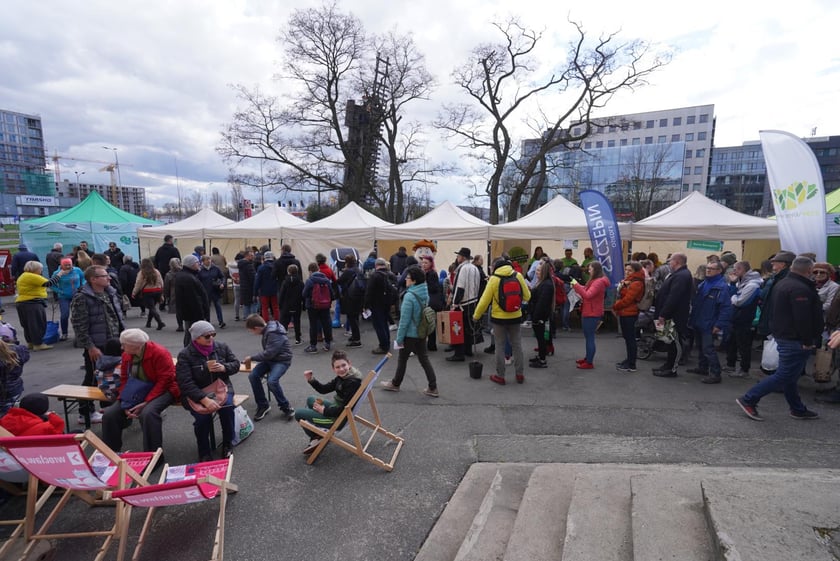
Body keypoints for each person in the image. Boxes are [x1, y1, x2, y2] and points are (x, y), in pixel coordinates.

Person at [736, 256, 822, 421]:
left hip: (785, 334)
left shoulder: (784, 283)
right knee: (784, 375)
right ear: (809, 270)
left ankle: (797, 408)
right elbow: (802, 318)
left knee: (790, 375)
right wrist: (807, 341)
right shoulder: (799, 288)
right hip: (794, 338)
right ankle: (749, 399)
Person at [101, 329, 179, 453]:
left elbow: (165, 381)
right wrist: (125, 401)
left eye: (124, 344)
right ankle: (110, 454)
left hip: (164, 389)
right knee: (110, 414)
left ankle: (153, 455)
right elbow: (125, 379)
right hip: (138, 389)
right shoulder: (127, 355)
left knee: (148, 413)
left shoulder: (160, 353)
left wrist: (146, 402)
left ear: (135, 345)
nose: (121, 347)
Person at [176, 321, 240, 461]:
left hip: (221, 387)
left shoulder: (221, 347)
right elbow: (185, 383)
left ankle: (227, 443)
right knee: (202, 418)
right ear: (196, 338)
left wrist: (224, 368)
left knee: (227, 408)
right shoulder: (185, 355)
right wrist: (204, 399)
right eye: (206, 336)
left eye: (213, 334)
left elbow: (236, 364)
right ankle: (204, 452)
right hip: (197, 392)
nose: (211, 338)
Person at [71, 265, 125, 424]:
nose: (108, 278)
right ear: (93, 279)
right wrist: (90, 346)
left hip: (114, 342)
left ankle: (109, 408)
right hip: (97, 344)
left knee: (114, 376)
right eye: (104, 276)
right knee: (92, 378)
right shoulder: (82, 297)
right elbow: (79, 325)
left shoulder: (110, 292)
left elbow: (117, 317)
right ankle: (85, 412)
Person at [380, 266, 439, 396]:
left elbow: (404, 321)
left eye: (407, 277)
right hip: (422, 331)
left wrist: (399, 339)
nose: (405, 279)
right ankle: (433, 387)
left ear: (413, 281)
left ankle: (395, 384)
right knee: (424, 359)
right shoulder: (424, 292)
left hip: (410, 335)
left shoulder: (409, 296)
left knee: (402, 359)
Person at [472, 256, 530, 384]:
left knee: (499, 346)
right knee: (517, 345)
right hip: (515, 316)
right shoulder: (518, 276)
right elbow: (527, 296)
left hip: (499, 318)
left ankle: (501, 375)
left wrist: (476, 316)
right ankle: (519, 374)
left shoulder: (493, 279)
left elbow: (484, 301)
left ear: (495, 267)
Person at [294, 350, 363, 455]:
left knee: (298, 414)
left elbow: (345, 408)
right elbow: (324, 389)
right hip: (337, 410)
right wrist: (311, 379)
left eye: (343, 365)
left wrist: (324, 411)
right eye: (337, 367)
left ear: (349, 363)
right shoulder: (344, 377)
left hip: (338, 419)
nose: (341, 369)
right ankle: (319, 434)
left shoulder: (352, 383)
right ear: (333, 369)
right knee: (311, 399)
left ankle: (315, 437)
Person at [687, 260, 732, 384]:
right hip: (699, 320)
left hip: (709, 323)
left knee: (708, 349)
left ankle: (715, 373)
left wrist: (718, 325)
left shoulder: (721, 287)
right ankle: (703, 367)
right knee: (701, 347)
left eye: (711, 269)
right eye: (707, 268)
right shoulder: (705, 283)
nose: (708, 270)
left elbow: (726, 308)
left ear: (719, 271)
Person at [244, 314, 295, 421]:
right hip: (271, 360)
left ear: (257, 328)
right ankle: (263, 405)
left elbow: (268, 354)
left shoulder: (273, 333)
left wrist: (251, 358)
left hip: (282, 361)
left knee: (272, 381)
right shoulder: (269, 329)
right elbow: (268, 355)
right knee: (253, 376)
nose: (252, 333)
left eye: (251, 331)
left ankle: (286, 407)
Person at [652, 253, 694, 378]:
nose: (669, 263)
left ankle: (672, 369)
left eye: (670, 261)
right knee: (668, 341)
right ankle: (668, 365)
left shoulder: (682, 276)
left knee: (674, 342)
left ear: (676, 262)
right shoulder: (677, 274)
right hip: (667, 314)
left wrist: (664, 314)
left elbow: (674, 297)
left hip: (673, 316)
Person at [15, 261, 66, 350]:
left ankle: (31, 342)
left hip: (22, 303)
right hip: (32, 303)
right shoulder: (32, 276)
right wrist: (60, 274)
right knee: (36, 324)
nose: (41, 271)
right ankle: (38, 344)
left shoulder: (23, 275)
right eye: (40, 269)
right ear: (35, 269)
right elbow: (49, 283)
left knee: (27, 325)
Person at [724, 261, 762, 378]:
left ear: (741, 270)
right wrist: (733, 286)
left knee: (743, 345)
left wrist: (734, 297)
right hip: (736, 317)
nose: (733, 272)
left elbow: (740, 302)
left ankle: (744, 369)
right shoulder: (741, 282)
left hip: (745, 318)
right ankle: (731, 364)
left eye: (735, 270)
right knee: (732, 342)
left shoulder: (752, 285)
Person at [571, 260, 611, 369]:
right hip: (590, 311)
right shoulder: (595, 280)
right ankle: (588, 358)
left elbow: (588, 295)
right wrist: (577, 285)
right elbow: (586, 290)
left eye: (590, 268)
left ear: (596, 270)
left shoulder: (598, 282)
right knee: (588, 336)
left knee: (590, 337)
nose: (588, 270)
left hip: (592, 313)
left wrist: (577, 286)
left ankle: (589, 362)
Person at [447, 248, 481, 362]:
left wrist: (455, 303)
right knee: (468, 328)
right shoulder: (475, 268)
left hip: (463, 303)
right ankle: (468, 350)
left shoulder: (462, 269)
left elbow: (460, 288)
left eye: (458, 256)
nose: (457, 258)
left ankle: (459, 353)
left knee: (459, 329)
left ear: (462, 257)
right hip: (474, 301)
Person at [612, 262, 646, 373]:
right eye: (626, 270)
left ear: (635, 271)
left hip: (629, 313)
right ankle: (629, 360)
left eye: (629, 270)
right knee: (628, 338)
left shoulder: (636, 283)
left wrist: (616, 306)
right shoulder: (630, 281)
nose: (626, 272)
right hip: (625, 312)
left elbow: (628, 299)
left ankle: (631, 364)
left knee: (630, 339)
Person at [175, 255, 210, 347]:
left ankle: (189, 351)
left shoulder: (187, 275)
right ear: (191, 264)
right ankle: (189, 353)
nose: (199, 264)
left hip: (189, 312)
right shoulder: (188, 278)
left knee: (190, 332)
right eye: (196, 262)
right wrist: (202, 314)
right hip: (193, 312)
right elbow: (194, 299)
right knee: (193, 333)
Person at [527, 260, 555, 369]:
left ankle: (542, 360)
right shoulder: (542, 282)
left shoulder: (546, 284)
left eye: (538, 270)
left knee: (541, 338)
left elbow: (542, 303)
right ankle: (540, 356)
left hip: (540, 316)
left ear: (544, 271)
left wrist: (536, 317)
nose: (536, 272)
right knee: (540, 338)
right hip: (538, 315)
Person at [302, 262, 334, 354]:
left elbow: (304, 294)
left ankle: (313, 346)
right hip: (325, 305)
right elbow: (331, 293)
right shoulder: (326, 280)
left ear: (310, 271)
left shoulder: (310, 280)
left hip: (313, 306)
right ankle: (327, 343)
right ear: (318, 269)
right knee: (326, 323)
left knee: (313, 325)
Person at [365, 258, 395, 354]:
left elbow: (369, 291)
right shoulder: (389, 274)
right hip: (387, 303)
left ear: (376, 265)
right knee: (385, 324)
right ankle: (387, 343)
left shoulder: (375, 276)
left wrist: (366, 305)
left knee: (379, 325)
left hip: (377, 304)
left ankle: (383, 346)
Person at [0, 393, 64, 435]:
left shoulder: (5, 419)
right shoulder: (45, 427)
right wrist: (54, 418)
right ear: (44, 409)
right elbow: (59, 437)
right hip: (35, 454)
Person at [53, 258, 85, 341]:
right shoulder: (57, 273)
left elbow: (83, 279)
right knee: (64, 315)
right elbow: (52, 284)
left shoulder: (77, 270)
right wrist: (60, 291)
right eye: (65, 265)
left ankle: (80, 333)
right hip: (64, 297)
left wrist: (82, 287)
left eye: (69, 265)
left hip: (77, 295)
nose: (68, 267)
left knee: (79, 314)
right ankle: (64, 333)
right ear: (61, 265)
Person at [337, 254, 364, 347]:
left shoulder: (348, 271)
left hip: (350, 297)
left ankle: (356, 339)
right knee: (355, 318)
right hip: (358, 297)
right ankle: (355, 336)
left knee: (352, 318)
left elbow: (339, 281)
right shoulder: (358, 270)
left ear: (346, 262)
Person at [132, 258, 166, 331]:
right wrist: (162, 291)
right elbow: (161, 282)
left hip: (147, 292)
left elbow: (138, 284)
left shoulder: (142, 273)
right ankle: (148, 322)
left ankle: (159, 322)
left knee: (152, 308)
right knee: (152, 307)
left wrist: (134, 292)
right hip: (157, 291)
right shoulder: (156, 271)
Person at [0, 337, 30, 416]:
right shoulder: (18, 350)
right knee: (10, 412)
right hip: (15, 388)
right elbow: (26, 355)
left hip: (3, 393)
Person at [420, 256, 444, 351]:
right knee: (430, 323)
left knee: (430, 323)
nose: (423, 264)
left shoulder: (431, 274)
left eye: (426, 263)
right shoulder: (428, 273)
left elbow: (433, 288)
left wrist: (424, 284)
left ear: (431, 263)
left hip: (432, 302)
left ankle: (431, 344)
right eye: (423, 263)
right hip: (431, 301)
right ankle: (430, 344)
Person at [198, 255, 227, 329]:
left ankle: (221, 321)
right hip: (205, 291)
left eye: (209, 259)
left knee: (218, 306)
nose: (209, 261)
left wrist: (222, 283)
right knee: (206, 307)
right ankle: (207, 322)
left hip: (215, 290)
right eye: (207, 260)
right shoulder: (200, 270)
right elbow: (198, 281)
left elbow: (222, 277)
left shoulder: (215, 268)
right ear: (203, 261)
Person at [279, 263, 304, 345]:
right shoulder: (300, 282)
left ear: (288, 272)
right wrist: (303, 305)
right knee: (297, 322)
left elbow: (281, 294)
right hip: (297, 305)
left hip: (286, 305)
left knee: (284, 322)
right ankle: (298, 339)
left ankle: (283, 339)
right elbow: (303, 295)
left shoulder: (285, 282)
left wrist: (280, 304)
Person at [254, 251, 279, 322]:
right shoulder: (276, 266)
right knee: (275, 307)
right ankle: (277, 321)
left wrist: (255, 292)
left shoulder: (261, 268)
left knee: (264, 308)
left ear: (264, 258)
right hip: (275, 290)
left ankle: (266, 322)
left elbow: (257, 281)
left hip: (264, 290)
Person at [163, 257, 184, 332]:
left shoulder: (169, 275)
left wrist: (166, 296)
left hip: (174, 293)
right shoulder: (183, 272)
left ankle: (180, 325)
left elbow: (166, 287)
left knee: (178, 310)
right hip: (184, 291)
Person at [237, 250, 258, 317]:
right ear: (246, 256)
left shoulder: (241, 265)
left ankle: (247, 319)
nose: (253, 257)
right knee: (253, 304)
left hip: (243, 287)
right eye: (251, 255)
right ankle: (253, 321)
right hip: (250, 288)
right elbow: (253, 279)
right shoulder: (249, 266)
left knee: (246, 305)